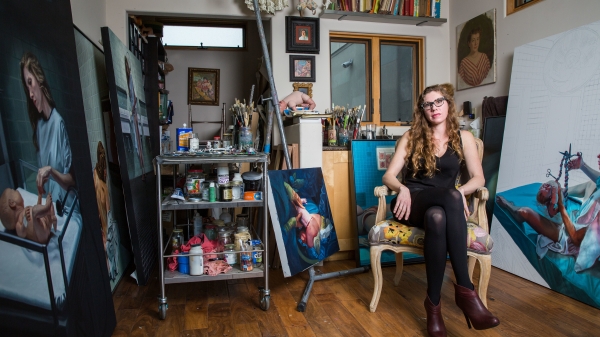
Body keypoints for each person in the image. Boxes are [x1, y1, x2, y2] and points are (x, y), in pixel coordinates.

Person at [382, 83, 499, 336]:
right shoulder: (411, 137)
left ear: (448, 104)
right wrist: (401, 188)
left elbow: (478, 178)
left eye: (438, 102)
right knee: (450, 197)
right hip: (412, 202)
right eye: (428, 104)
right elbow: (389, 176)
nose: (433, 108)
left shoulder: (463, 138)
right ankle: (467, 291)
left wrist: (460, 192)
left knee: (437, 216)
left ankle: (433, 306)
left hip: (442, 207)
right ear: (421, 110)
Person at [21, 52, 76, 202]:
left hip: (67, 206)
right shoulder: (39, 126)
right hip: (50, 205)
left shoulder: (59, 123)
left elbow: (72, 181)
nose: (30, 94)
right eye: (27, 89)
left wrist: (51, 172)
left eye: (30, 82)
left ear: (40, 80)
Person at [124, 56, 145, 177]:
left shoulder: (131, 81)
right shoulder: (129, 81)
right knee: (136, 145)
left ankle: (142, 171)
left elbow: (134, 99)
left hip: (135, 117)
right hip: (133, 117)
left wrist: (134, 112)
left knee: (138, 145)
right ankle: (141, 171)